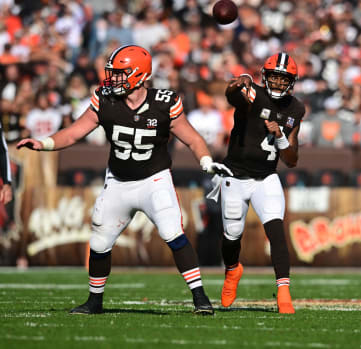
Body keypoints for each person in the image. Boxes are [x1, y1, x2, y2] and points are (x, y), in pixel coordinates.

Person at [17, 45, 232, 315]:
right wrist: (44, 142)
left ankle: (200, 297)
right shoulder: (106, 99)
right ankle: (94, 301)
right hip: (118, 181)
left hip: (155, 180)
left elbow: (193, 138)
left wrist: (204, 161)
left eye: (120, 74)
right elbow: (73, 133)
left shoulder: (164, 102)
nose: (113, 79)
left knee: (172, 233)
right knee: (99, 242)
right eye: (113, 73)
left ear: (140, 75)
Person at [208, 52, 304, 314]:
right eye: (273, 77)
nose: (277, 83)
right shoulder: (254, 94)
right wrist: (236, 83)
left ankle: (283, 291)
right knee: (231, 238)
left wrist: (281, 136)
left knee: (276, 233)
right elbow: (231, 97)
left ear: (291, 82)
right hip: (235, 176)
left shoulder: (295, 109)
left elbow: (292, 159)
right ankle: (232, 270)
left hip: (266, 177)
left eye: (283, 79)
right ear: (265, 76)